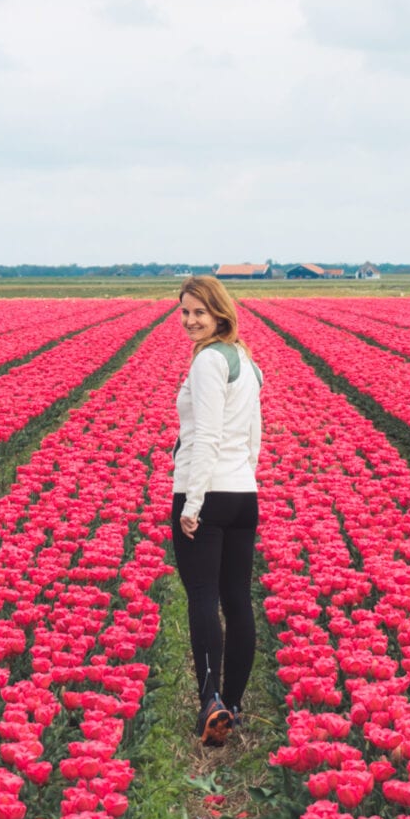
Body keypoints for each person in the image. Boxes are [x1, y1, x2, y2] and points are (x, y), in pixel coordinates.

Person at [171, 275, 263, 747]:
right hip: (243, 495)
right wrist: (243, 476)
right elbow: (253, 436)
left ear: (219, 313)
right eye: (184, 312)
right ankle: (234, 703)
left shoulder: (209, 362)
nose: (189, 321)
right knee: (237, 600)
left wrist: (194, 503)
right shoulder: (245, 360)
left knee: (204, 597)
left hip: (207, 491)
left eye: (198, 313)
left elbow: (204, 436)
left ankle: (212, 702)